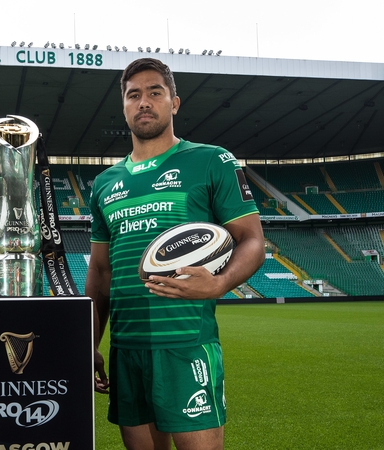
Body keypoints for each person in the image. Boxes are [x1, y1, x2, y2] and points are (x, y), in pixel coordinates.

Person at [86, 57, 265, 450]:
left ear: (175, 103)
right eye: (134, 95)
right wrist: (88, 341)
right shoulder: (104, 183)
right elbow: (100, 272)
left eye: (155, 92)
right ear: (124, 106)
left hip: (186, 344)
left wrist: (217, 284)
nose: (144, 102)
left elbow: (252, 240)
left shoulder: (211, 160)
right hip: (127, 348)